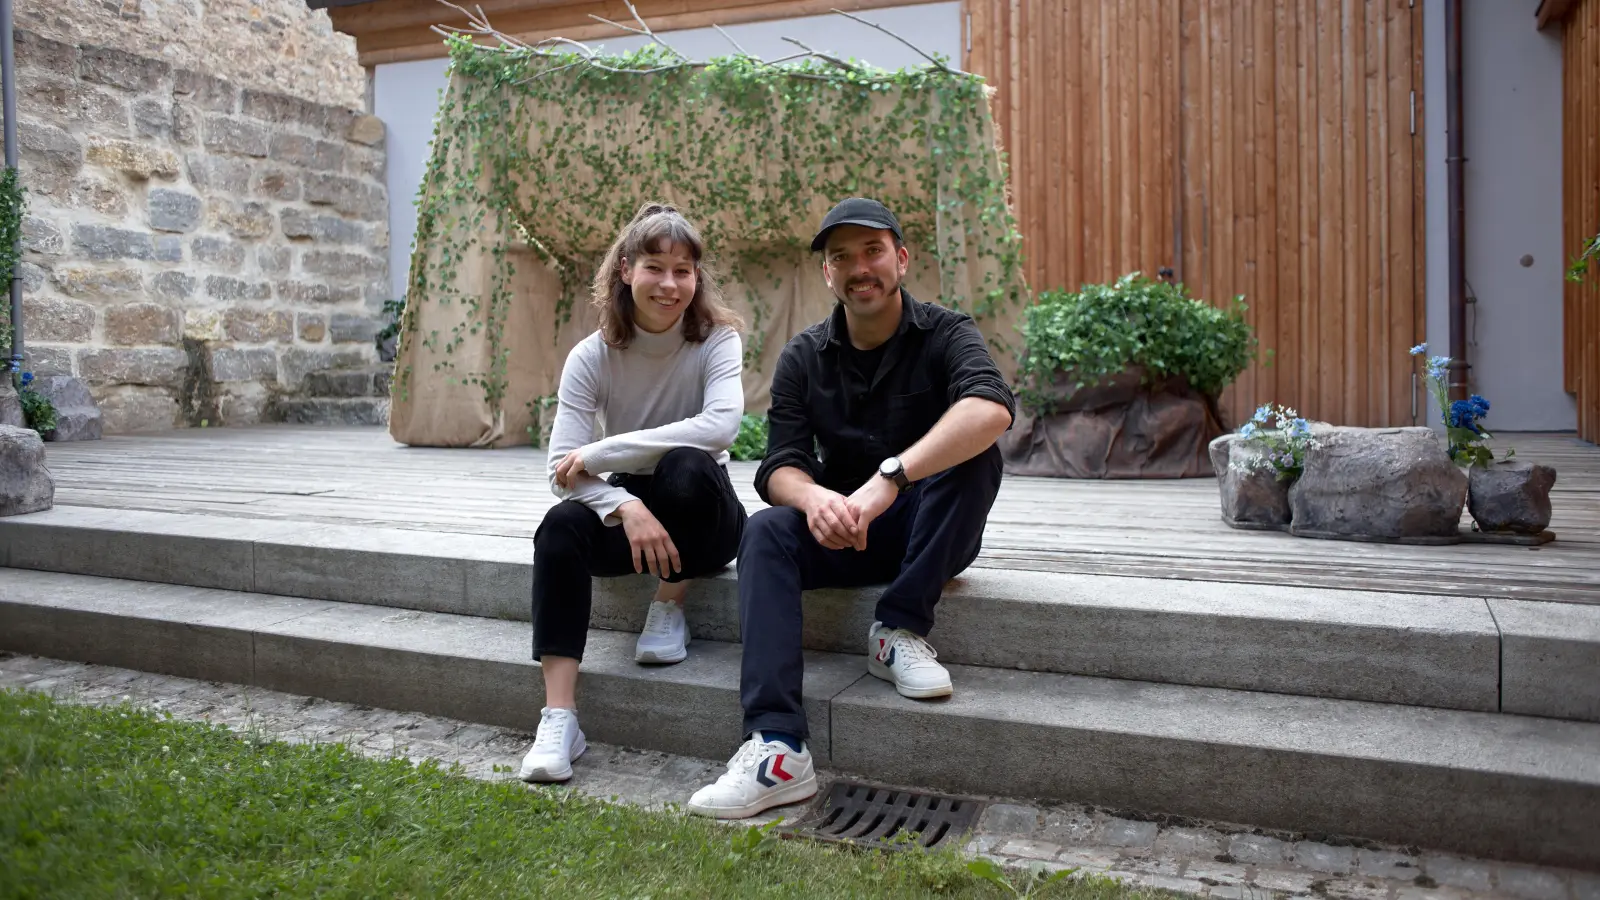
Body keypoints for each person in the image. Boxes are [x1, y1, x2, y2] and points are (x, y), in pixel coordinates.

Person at [687, 198, 1014, 818]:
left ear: (901, 259)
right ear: (828, 274)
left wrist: (891, 477)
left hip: (930, 529)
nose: (860, 267)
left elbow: (991, 408)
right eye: (842, 257)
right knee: (764, 533)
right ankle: (778, 749)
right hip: (843, 533)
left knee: (974, 456)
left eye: (873, 251)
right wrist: (814, 500)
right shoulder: (803, 356)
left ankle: (896, 630)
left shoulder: (947, 331)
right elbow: (777, 464)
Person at [519, 202, 748, 783]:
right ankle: (559, 717)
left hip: (706, 515)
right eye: (655, 267)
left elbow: (720, 428)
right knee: (559, 528)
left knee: (684, 467)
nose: (669, 284)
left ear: (696, 278)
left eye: (683, 270)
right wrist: (622, 502)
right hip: (634, 511)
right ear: (625, 270)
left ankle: (669, 604)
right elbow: (558, 469)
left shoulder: (717, 340)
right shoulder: (592, 354)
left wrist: (600, 454)